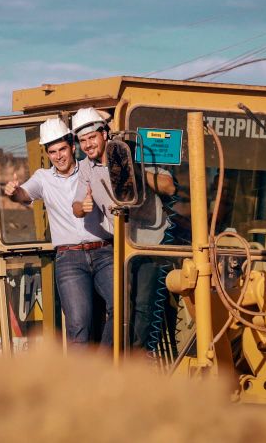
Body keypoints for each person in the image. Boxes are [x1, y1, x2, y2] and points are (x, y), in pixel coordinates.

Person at [70, 108, 176, 352]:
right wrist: (82, 207)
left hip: (149, 240)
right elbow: (76, 205)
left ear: (105, 135)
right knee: (120, 303)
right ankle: (116, 358)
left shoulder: (133, 152)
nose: (87, 145)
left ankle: (136, 358)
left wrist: (134, 171)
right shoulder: (86, 167)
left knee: (142, 304)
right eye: (82, 141)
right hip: (120, 243)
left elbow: (168, 187)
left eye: (91, 138)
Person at [5, 116, 114, 346]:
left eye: (62, 149)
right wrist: (13, 192)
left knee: (122, 306)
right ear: (47, 153)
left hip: (104, 252)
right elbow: (24, 194)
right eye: (52, 151)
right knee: (78, 324)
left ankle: (105, 369)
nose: (58, 156)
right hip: (70, 258)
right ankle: (76, 381)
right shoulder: (42, 179)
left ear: (72, 147)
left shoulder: (90, 168)